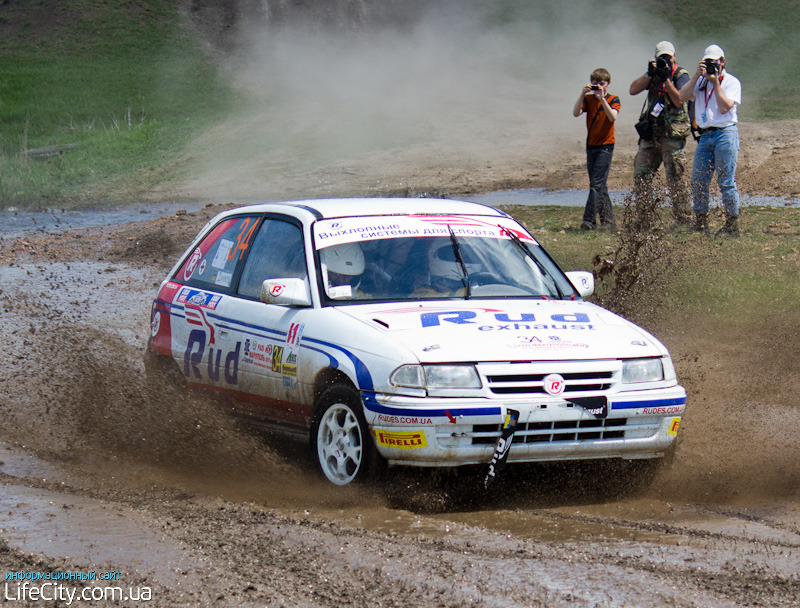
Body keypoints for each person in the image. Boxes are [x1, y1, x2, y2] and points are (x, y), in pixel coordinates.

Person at [679, 44, 742, 236]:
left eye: (714, 62)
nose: (711, 66)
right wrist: (697, 76)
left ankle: (732, 225)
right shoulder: (699, 82)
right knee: (698, 180)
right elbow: (681, 96)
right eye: (707, 62)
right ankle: (701, 223)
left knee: (726, 181)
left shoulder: (731, 82)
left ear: (722, 62)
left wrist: (715, 83)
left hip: (725, 133)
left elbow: (724, 108)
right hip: (705, 135)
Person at [629, 41, 692, 226]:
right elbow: (633, 90)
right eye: (661, 58)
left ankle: (683, 220)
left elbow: (679, 100)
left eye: (668, 57)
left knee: (675, 177)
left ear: (675, 56)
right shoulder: (653, 74)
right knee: (641, 175)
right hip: (651, 133)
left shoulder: (681, 75)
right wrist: (650, 73)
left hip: (671, 134)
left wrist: (666, 79)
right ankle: (644, 218)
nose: (666, 61)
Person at [572, 68, 620, 231]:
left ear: (608, 84)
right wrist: (582, 94)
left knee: (596, 184)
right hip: (591, 145)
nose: (599, 86)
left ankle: (589, 221)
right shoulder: (588, 100)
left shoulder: (614, 99)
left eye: (602, 83)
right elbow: (576, 113)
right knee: (600, 185)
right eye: (595, 83)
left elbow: (612, 117)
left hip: (606, 146)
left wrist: (602, 99)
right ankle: (608, 221)